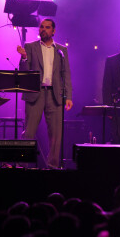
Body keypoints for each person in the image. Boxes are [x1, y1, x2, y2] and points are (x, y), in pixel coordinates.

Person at [16, 18, 73, 169]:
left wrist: (69, 97)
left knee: (56, 135)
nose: (43, 29)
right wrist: (24, 58)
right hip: (36, 93)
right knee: (28, 132)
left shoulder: (61, 50)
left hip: (55, 95)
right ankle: (23, 166)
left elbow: (66, 74)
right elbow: (24, 72)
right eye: (41, 27)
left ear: (53, 31)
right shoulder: (30, 47)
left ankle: (53, 167)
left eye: (47, 27)